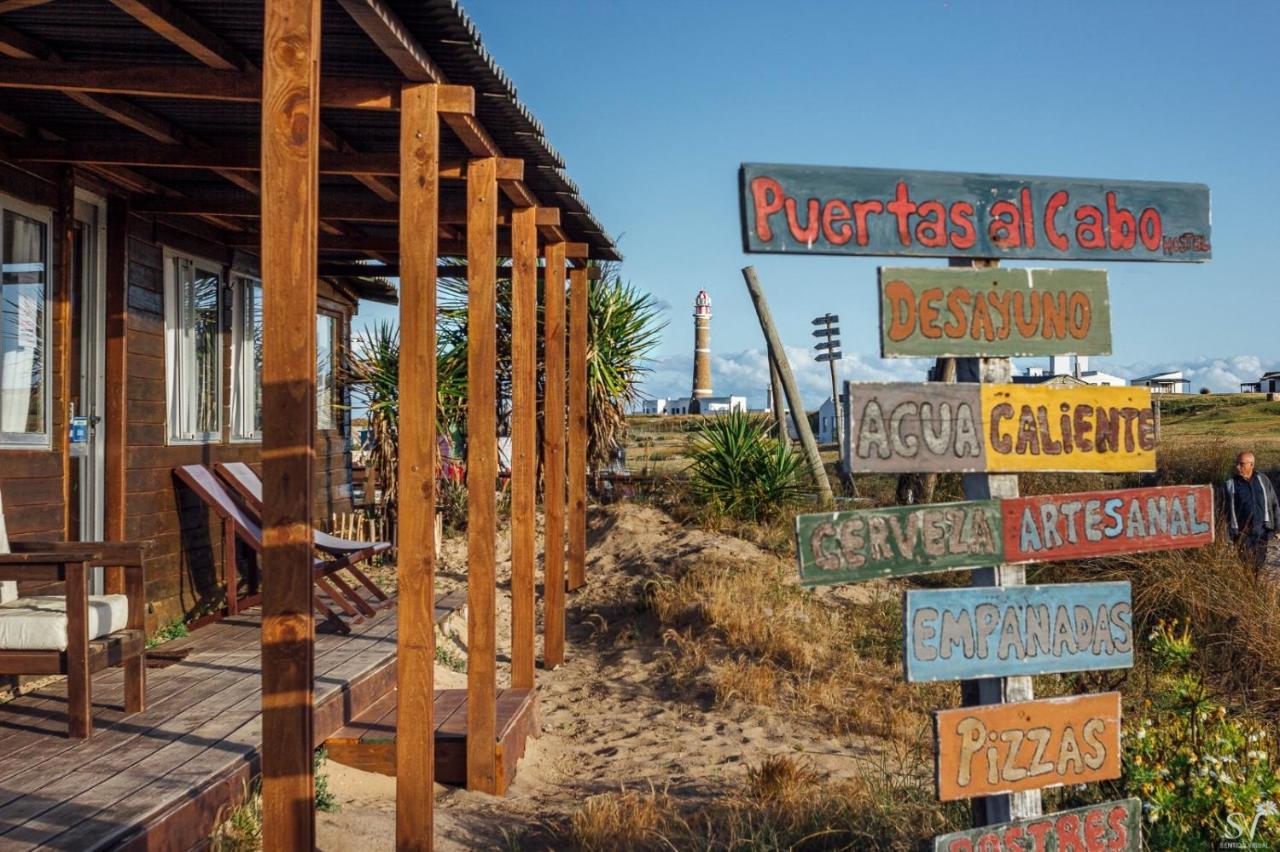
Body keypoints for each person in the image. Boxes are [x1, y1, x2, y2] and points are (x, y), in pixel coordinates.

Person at [1223, 452, 1279, 570]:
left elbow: (1274, 504)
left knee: (1259, 564)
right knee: (1245, 566)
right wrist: (1229, 533)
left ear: (1251, 465)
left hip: (1262, 532)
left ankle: (1254, 586)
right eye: (1237, 463)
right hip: (1242, 535)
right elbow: (1224, 511)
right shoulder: (1230, 484)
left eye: (1242, 464)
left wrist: (1278, 528)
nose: (1238, 467)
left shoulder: (1263, 480)